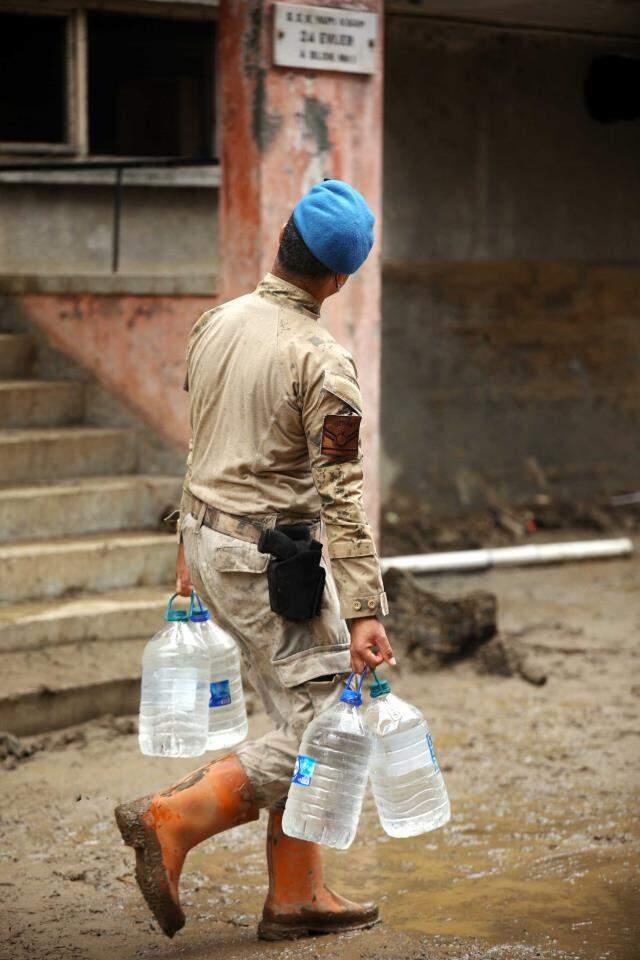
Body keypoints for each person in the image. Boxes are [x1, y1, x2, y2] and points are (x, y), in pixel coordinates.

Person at [114, 179, 395, 942]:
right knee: (335, 719)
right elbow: (340, 496)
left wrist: (185, 553)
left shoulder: (218, 322)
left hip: (209, 542)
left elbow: (201, 441)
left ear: (283, 243)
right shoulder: (321, 360)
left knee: (299, 704)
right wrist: (366, 606)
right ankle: (174, 819)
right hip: (266, 559)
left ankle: (297, 895)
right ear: (339, 278)